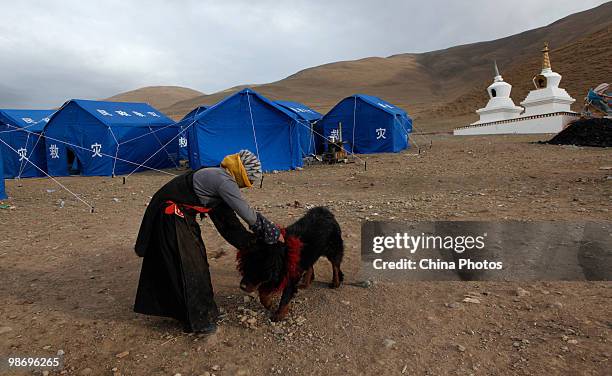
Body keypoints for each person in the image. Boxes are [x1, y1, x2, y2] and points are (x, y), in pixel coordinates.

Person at [133, 150, 281, 333]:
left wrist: (252, 244)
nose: (243, 187)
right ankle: (199, 320)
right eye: (247, 182)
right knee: (190, 266)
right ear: (243, 175)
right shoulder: (224, 180)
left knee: (191, 261)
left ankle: (188, 312)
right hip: (171, 217)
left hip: (177, 218)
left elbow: (228, 224)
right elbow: (247, 214)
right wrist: (273, 233)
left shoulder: (216, 175)